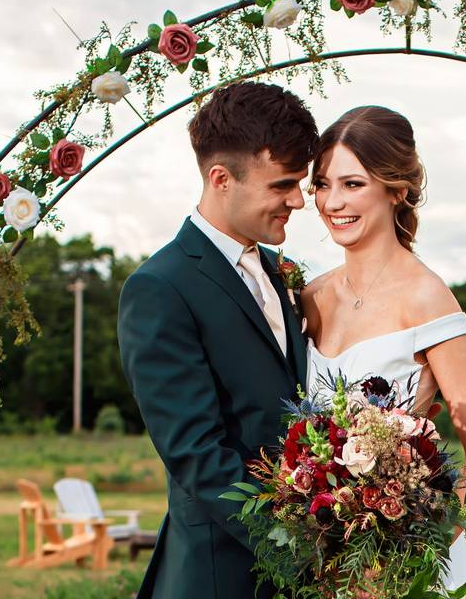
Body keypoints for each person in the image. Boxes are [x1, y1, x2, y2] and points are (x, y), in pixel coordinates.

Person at [117, 81, 317, 598]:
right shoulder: (160, 288)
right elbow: (196, 453)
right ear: (221, 178)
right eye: (282, 185)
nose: (298, 199)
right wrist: (308, 551)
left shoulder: (279, 271)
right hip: (219, 575)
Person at [300, 105, 466, 591]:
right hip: (324, 557)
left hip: (406, 561)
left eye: (352, 184)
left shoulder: (427, 299)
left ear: (397, 189)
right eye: (322, 184)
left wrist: (424, 546)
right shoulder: (309, 298)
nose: (332, 202)